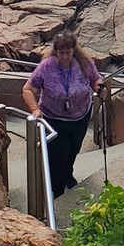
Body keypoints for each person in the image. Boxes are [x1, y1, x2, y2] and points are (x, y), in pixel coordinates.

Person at [22, 31, 103, 198]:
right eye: (61, 53)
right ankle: (56, 191)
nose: (65, 56)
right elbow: (28, 89)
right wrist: (35, 109)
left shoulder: (84, 63)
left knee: (73, 149)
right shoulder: (46, 66)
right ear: (55, 52)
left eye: (68, 52)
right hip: (53, 118)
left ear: (74, 50)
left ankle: (68, 174)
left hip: (80, 116)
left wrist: (100, 88)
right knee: (58, 155)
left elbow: (95, 79)